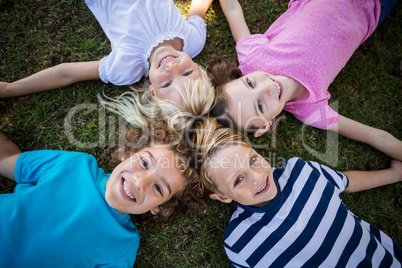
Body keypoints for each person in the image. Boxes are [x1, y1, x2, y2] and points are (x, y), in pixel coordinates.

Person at [192, 118, 402, 267]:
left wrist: (393, 174)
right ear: (222, 197)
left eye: (253, 160)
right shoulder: (238, 242)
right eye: (238, 180)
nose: (256, 177)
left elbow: (345, 182)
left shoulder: (301, 171)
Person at [208, 0, 402, 160]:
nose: (266, 87)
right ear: (265, 126)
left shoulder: (252, 57)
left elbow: (233, 9)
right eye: (260, 105)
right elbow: (377, 137)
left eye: (249, 83)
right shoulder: (311, 110)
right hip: (374, 7)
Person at [0, 119, 200, 267]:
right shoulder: (73, 165)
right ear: (129, 153)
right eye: (145, 163)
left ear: (160, 207)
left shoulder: (123, 247)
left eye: (158, 188)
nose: (140, 181)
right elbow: (6, 159)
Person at [0, 0, 215, 130]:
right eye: (187, 72)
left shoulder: (125, 68)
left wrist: (11, 89)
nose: (172, 68)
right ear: (200, 70)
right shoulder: (193, 41)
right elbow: (200, 5)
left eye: (167, 84)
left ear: (153, 93)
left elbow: (67, 73)